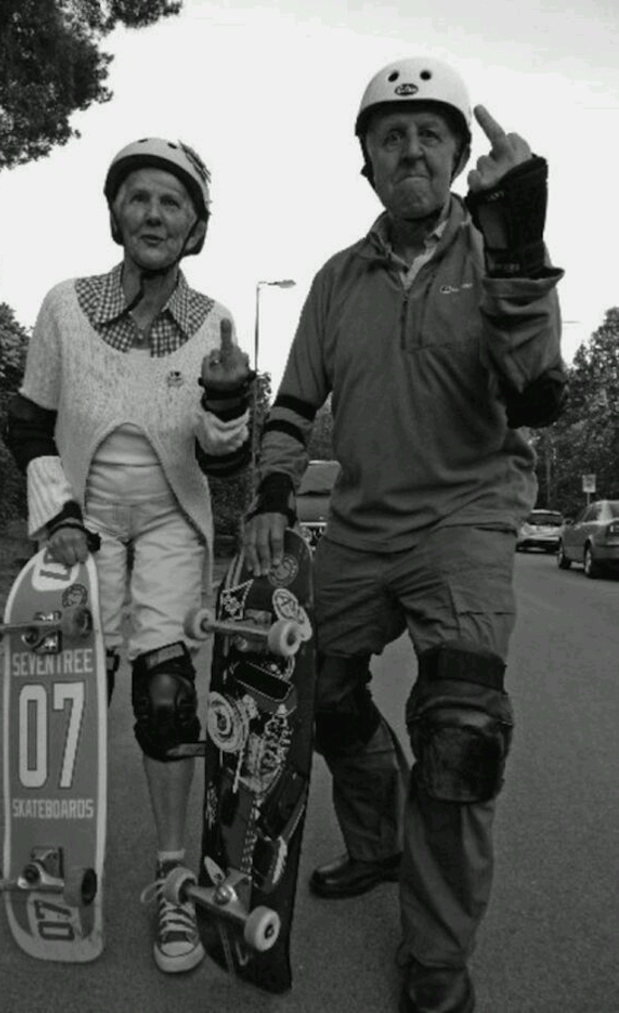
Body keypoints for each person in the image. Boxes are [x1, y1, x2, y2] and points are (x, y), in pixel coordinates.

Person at [243, 57, 567, 1012]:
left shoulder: (499, 249)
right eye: (391, 135)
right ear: (367, 165)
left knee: (461, 738)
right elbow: (293, 407)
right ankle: (379, 841)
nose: (410, 147)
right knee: (321, 695)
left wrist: (516, 249)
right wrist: (267, 494)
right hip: (361, 528)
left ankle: (435, 956)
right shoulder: (338, 280)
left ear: (461, 155)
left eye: (431, 132)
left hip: (466, 518)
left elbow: (539, 394)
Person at [4, 137, 253, 974]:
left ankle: (175, 881)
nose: (153, 214)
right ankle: (60, 861)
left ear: (195, 228)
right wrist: (57, 516)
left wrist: (225, 398)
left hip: (175, 527)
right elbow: (29, 424)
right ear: (115, 213)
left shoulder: (212, 322)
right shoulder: (65, 307)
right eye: (139, 198)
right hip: (87, 524)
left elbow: (222, 466)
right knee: (75, 679)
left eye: (171, 204)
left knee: (168, 692)